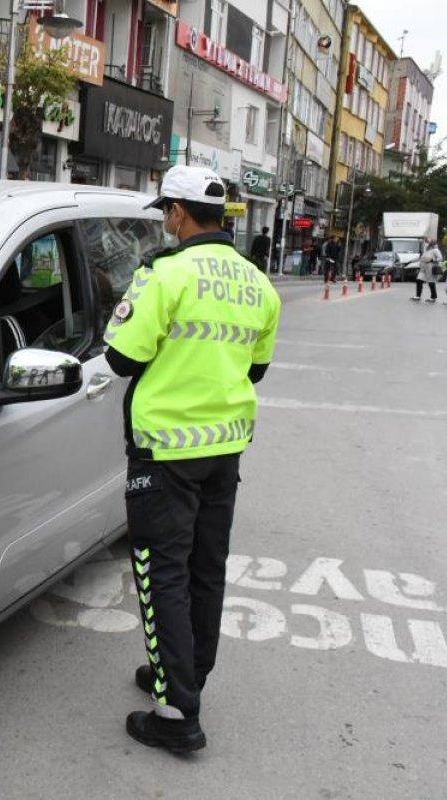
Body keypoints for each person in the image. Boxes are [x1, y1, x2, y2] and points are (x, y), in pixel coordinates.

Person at [102, 164, 282, 753]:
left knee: (162, 575)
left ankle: (178, 713)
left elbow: (121, 359)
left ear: (177, 215)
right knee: (206, 568)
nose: (164, 222)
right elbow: (254, 369)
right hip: (224, 451)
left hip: (165, 453)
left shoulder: (164, 276)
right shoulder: (258, 284)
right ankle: (183, 676)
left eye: (164, 213)